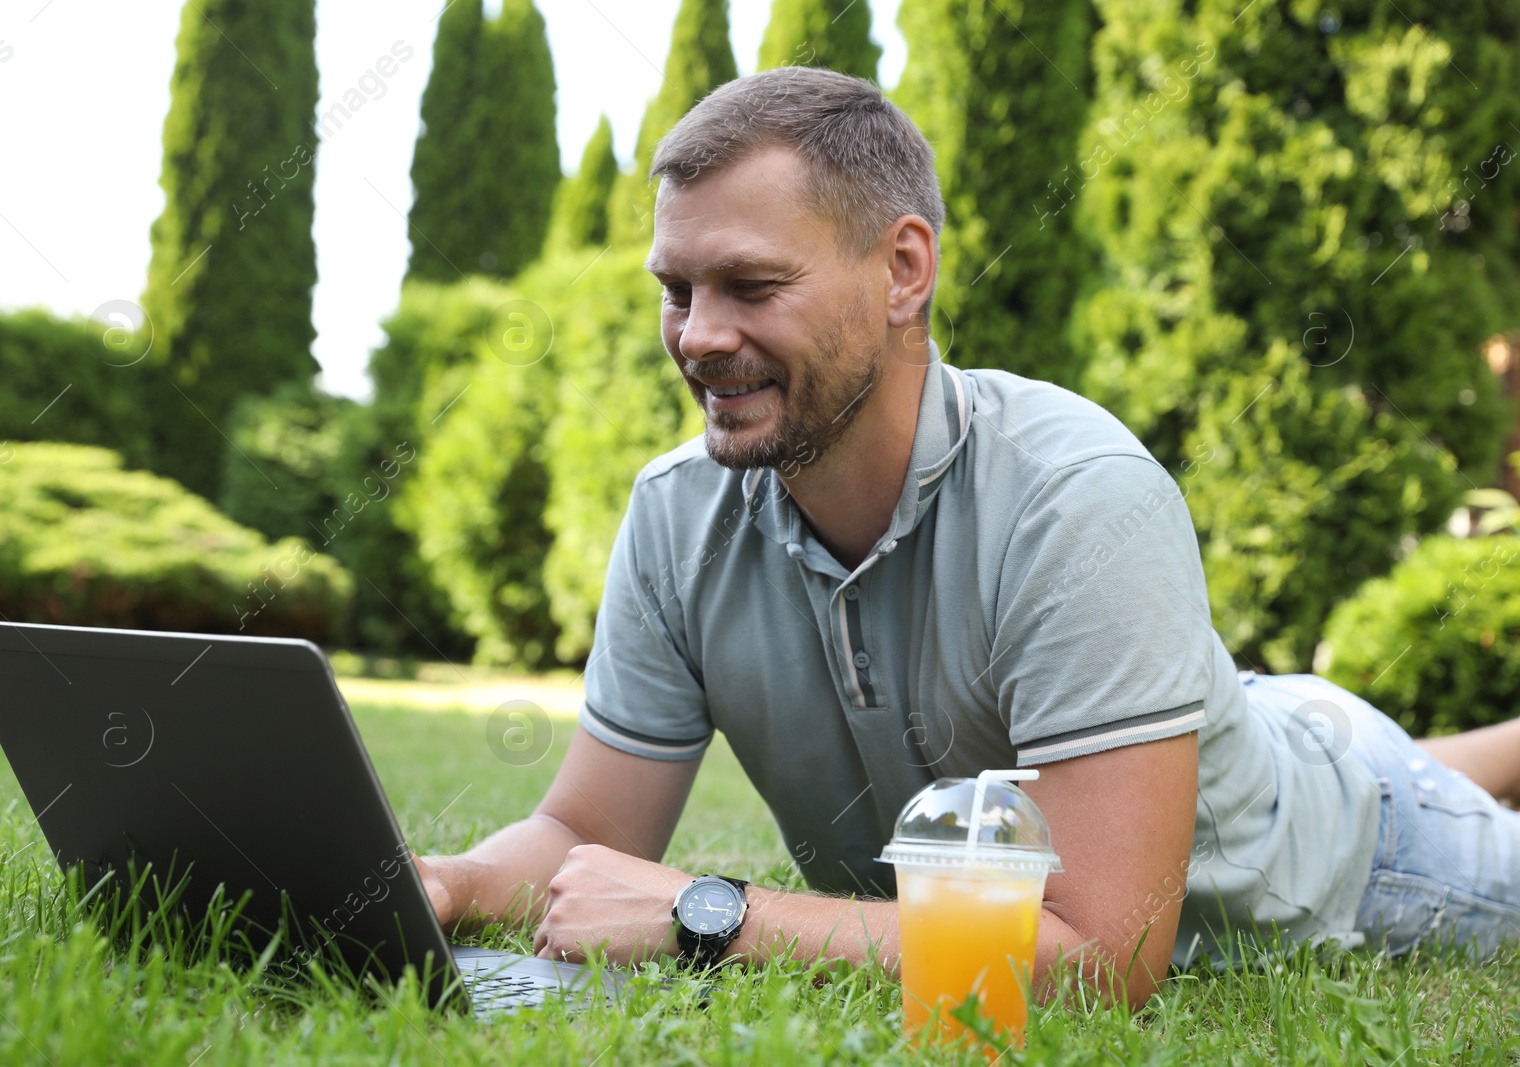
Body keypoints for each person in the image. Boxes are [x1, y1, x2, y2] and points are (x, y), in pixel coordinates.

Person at [416, 66, 1520, 1009]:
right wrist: (450, 884)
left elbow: (1100, 957)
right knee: (1281, 731)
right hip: (1228, 728)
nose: (699, 336)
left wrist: (715, 913)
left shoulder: (1079, 496)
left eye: (751, 284)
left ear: (904, 269)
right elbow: (582, 826)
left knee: (1392, 785)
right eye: (677, 289)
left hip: (1356, 829)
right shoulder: (677, 510)